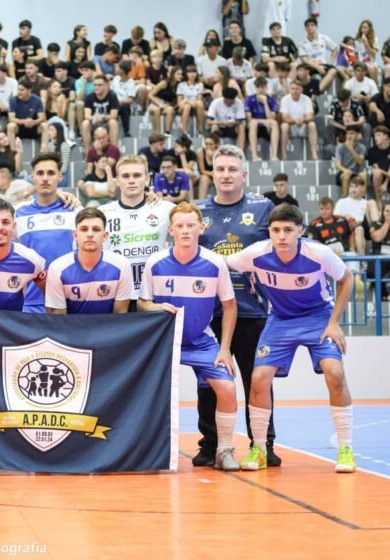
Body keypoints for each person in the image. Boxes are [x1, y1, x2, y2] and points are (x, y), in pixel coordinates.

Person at [227, 204, 356, 473]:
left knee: (335, 373)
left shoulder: (319, 253)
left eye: (288, 230)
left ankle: (346, 449)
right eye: (276, 230)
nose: (282, 236)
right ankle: (259, 449)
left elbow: (347, 278)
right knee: (259, 379)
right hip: (281, 320)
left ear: (300, 231)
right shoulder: (256, 254)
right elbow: (222, 264)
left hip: (318, 318)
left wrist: (334, 322)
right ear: (269, 233)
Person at [139, 202, 240, 470]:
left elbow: (230, 306)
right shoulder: (155, 263)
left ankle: (224, 450)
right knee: (148, 392)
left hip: (202, 340)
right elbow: (142, 303)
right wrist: (157, 306)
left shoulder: (214, 263)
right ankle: (147, 450)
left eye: (191, 225)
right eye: (180, 226)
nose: (185, 231)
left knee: (227, 388)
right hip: (164, 342)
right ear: (171, 229)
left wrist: (225, 350)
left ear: (201, 227)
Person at [195, 144, 278, 468]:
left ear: (244, 175)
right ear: (212, 174)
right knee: (210, 383)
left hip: (252, 310)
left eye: (232, 169)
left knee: (256, 381)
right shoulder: (197, 212)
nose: (226, 175)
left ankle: (263, 444)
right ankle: (210, 445)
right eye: (220, 169)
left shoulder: (262, 207)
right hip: (209, 312)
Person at [99, 155, 174, 305]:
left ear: (147, 179)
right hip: (115, 297)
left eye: (137, 175)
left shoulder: (166, 209)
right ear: (117, 181)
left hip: (153, 296)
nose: (131, 180)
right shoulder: (102, 213)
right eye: (125, 176)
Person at [15, 153, 81, 312]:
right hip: (30, 301)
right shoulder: (17, 213)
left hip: (67, 300)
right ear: (32, 177)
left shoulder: (75, 210)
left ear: (60, 177)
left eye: (51, 173)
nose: (45, 178)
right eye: (40, 173)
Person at [45, 207, 132, 315]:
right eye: (84, 229)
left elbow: (120, 315)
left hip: (109, 330)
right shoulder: (57, 268)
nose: (90, 234)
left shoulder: (122, 265)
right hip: (71, 330)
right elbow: (59, 320)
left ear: (105, 236)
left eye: (96, 229)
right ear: (75, 235)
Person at [280, 81, 319, 160]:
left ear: (301, 90)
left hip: (303, 126)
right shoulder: (285, 99)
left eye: (297, 89)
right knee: (284, 126)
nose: (295, 91)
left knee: (312, 125)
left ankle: (314, 154)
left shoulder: (307, 99)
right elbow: (284, 118)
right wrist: (295, 121)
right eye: (293, 89)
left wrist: (302, 120)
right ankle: (284, 154)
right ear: (290, 89)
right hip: (291, 126)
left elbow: (311, 116)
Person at [299, 17, 338, 93]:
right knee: (305, 75)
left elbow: (335, 49)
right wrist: (317, 67)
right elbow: (304, 59)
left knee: (333, 70)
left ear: (316, 27)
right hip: (311, 66)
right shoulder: (302, 43)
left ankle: (317, 91)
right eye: (308, 26)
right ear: (305, 28)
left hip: (323, 64)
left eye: (312, 25)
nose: (310, 27)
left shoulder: (323, 38)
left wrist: (330, 62)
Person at [245, 77, 280, 162]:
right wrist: (263, 121)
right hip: (254, 127)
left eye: (262, 87)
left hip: (267, 128)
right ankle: (254, 156)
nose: (260, 89)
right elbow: (249, 119)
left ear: (266, 88)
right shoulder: (249, 99)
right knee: (253, 123)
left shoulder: (271, 100)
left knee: (274, 123)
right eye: (258, 87)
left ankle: (274, 156)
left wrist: (265, 103)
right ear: (255, 88)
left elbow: (271, 118)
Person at [81, 75, 120, 150]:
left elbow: (114, 115)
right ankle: (88, 153)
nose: (96, 87)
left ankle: (113, 152)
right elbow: (87, 115)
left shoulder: (112, 96)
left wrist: (103, 117)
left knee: (113, 122)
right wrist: (94, 117)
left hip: (106, 123)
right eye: (95, 85)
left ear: (106, 85)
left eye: (99, 85)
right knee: (85, 123)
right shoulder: (90, 96)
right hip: (94, 123)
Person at [334, 176, 369, 256]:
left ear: (362, 188)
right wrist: (345, 217)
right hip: (344, 228)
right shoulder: (341, 202)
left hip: (360, 228)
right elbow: (334, 218)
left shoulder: (366, 203)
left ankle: (362, 260)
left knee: (359, 229)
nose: (353, 189)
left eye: (356, 187)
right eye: (351, 186)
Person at [7, 82, 46, 147]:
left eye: (22, 90)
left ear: (29, 91)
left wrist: (33, 122)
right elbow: (11, 118)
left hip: (33, 127)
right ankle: (13, 153)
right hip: (19, 127)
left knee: (45, 125)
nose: (19, 92)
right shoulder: (13, 100)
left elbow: (42, 117)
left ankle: (44, 152)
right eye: (18, 89)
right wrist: (24, 121)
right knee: (10, 126)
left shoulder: (37, 100)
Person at [206, 87, 246, 151]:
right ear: (223, 98)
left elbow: (240, 120)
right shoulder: (215, 102)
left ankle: (240, 152)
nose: (229, 103)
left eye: (231, 101)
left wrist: (232, 123)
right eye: (227, 101)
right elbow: (208, 121)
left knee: (241, 126)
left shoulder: (239, 103)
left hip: (233, 127)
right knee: (214, 126)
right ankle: (214, 150)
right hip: (220, 126)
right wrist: (221, 122)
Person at [335, 126, 368, 198]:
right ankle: (345, 199)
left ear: (357, 134)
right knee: (347, 174)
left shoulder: (362, 147)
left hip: (356, 173)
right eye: (348, 134)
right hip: (343, 172)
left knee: (364, 175)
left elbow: (360, 162)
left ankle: (362, 199)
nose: (349, 136)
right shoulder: (340, 147)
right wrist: (345, 170)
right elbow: (337, 164)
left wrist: (351, 148)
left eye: (352, 133)